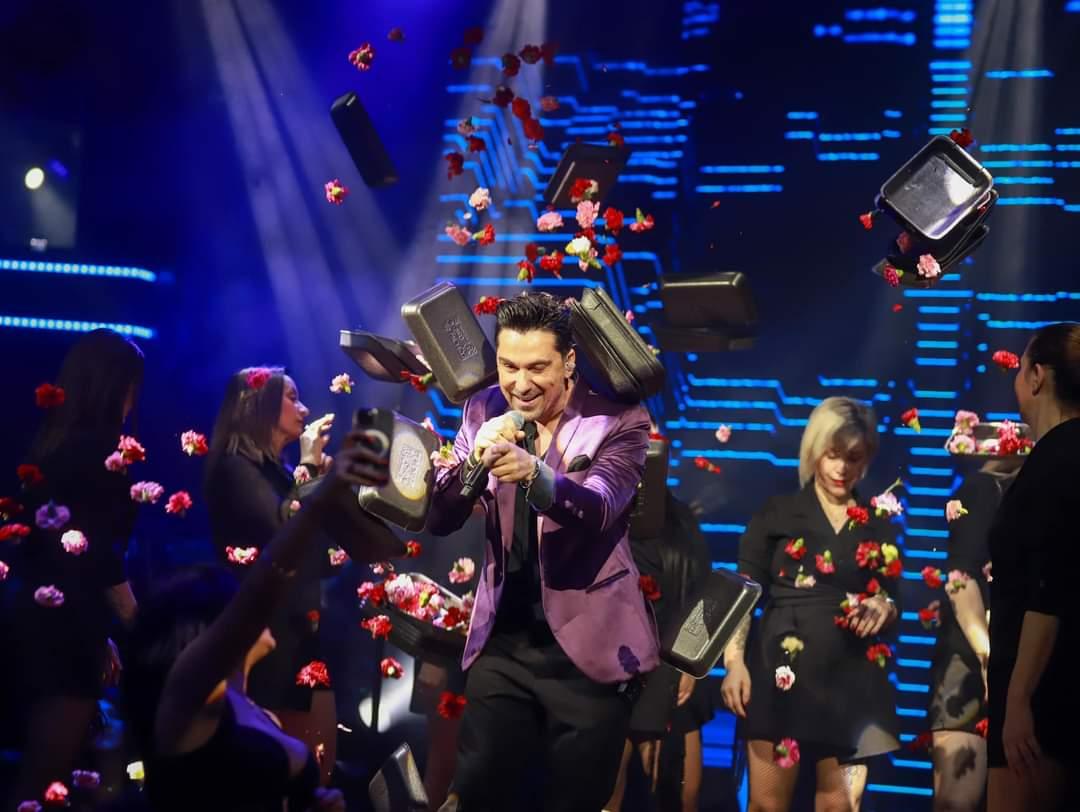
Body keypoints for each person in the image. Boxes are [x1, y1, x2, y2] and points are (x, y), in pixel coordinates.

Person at [425, 292, 658, 811]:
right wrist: (473, 463)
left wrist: (536, 474)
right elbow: (440, 517)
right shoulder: (483, 408)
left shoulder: (619, 420)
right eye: (509, 366)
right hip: (504, 643)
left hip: (588, 649)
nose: (520, 383)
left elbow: (600, 509)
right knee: (479, 792)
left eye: (537, 368)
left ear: (569, 361)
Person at [125, 433, 388, 812]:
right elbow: (261, 590)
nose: (251, 612)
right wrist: (320, 499)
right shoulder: (188, 699)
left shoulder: (244, 703)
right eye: (234, 605)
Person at [204, 366, 401, 783]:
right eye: (292, 398)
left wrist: (324, 485)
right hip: (265, 632)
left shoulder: (278, 471)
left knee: (318, 757)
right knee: (279, 759)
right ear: (257, 403)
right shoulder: (234, 467)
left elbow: (320, 549)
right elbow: (282, 533)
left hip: (302, 626)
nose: (305, 409)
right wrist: (309, 469)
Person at [722, 397, 901, 812]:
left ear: (867, 458)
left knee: (839, 807)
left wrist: (883, 606)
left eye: (853, 457)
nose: (842, 468)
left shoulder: (877, 523)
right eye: (833, 455)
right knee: (767, 806)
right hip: (779, 669)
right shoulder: (778, 512)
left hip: (849, 676)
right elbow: (745, 592)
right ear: (814, 452)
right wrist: (734, 663)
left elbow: (893, 597)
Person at [4, 329, 144, 807]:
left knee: (42, 765)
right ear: (115, 386)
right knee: (49, 771)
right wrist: (137, 622)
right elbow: (100, 553)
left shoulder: (53, 446)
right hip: (68, 627)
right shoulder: (102, 453)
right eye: (132, 386)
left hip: (43, 615)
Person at [986, 322, 1080, 811]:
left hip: (1043, 696)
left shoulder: (1057, 460)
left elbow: (1051, 586)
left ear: (1039, 376)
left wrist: (1019, 698)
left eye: (1021, 369)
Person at [605, 485, 716, 812]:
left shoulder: (681, 522)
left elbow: (703, 596)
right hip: (616, 666)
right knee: (606, 792)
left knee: (682, 793)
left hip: (673, 665)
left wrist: (690, 661)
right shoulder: (603, 509)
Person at [928, 456, 1023, 812]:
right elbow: (961, 578)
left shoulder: (1045, 493)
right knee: (958, 801)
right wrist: (988, 655)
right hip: (972, 664)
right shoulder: (985, 488)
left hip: (1025, 663)